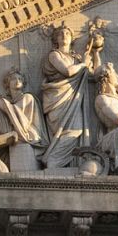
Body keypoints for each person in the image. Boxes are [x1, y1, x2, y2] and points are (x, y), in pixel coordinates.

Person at [41, 24, 102, 168]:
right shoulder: (54, 55)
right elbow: (67, 71)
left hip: (74, 100)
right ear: (55, 39)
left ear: (71, 38)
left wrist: (95, 52)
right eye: (60, 34)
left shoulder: (77, 59)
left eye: (67, 34)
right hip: (58, 99)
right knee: (67, 132)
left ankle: (63, 163)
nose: (64, 36)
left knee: (76, 131)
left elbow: (95, 74)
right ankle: (53, 162)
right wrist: (83, 64)